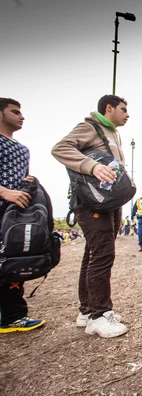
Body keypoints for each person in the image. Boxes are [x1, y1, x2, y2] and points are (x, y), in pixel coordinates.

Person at [52, 94, 129, 338]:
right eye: (123, 109)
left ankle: (87, 311)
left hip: (107, 200)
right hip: (92, 202)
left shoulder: (113, 134)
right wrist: (92, 166)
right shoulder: (90, 127)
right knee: (103, 253)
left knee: (93, 253)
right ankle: (99, 315)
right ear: (109, 108)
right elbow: (60, 148)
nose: (128, 114)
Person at [0, 98, 45, 334]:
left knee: (13, 263)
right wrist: (4, 191)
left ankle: (13, 316)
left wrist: (30, 183)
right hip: (4, 205)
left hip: (13, 215)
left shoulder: (22, 148)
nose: (21, 116)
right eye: (15, 112)